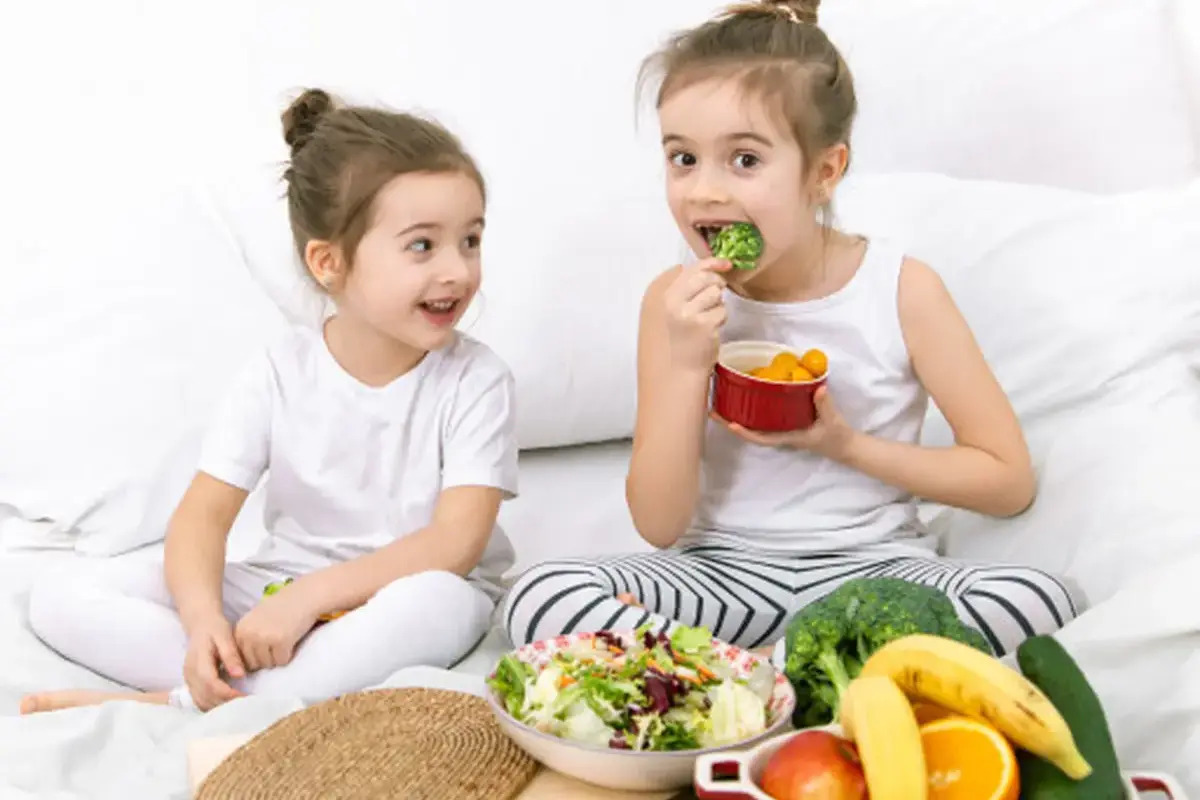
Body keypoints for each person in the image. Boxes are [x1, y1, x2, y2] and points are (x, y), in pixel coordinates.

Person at [503, 0, 1079, 658]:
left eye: (744, 160)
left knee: (1041, 599)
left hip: (876, 570)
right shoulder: (672, 301)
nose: (704, 192)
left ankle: (734, 682)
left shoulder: (901, 289)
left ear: (823, 171)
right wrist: (689, 364)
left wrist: (842, 444)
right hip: (719, 575)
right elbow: (658, 525)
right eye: (683, 159)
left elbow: (1007, 481)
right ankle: (802, 679)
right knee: (542, 594)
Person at [22, 88, 518, 713]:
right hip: (275, 593)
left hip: (401, 596)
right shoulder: (278, 371)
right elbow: (202, 519)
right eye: (423, 245)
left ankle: (181, 700)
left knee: (439, 602)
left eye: (470, 240)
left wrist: (307, 602)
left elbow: (454, 545)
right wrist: (205, 623)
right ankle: (228, 676)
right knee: (60, 596)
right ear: (328, 262)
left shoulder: (477, 381)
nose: (459, 270)